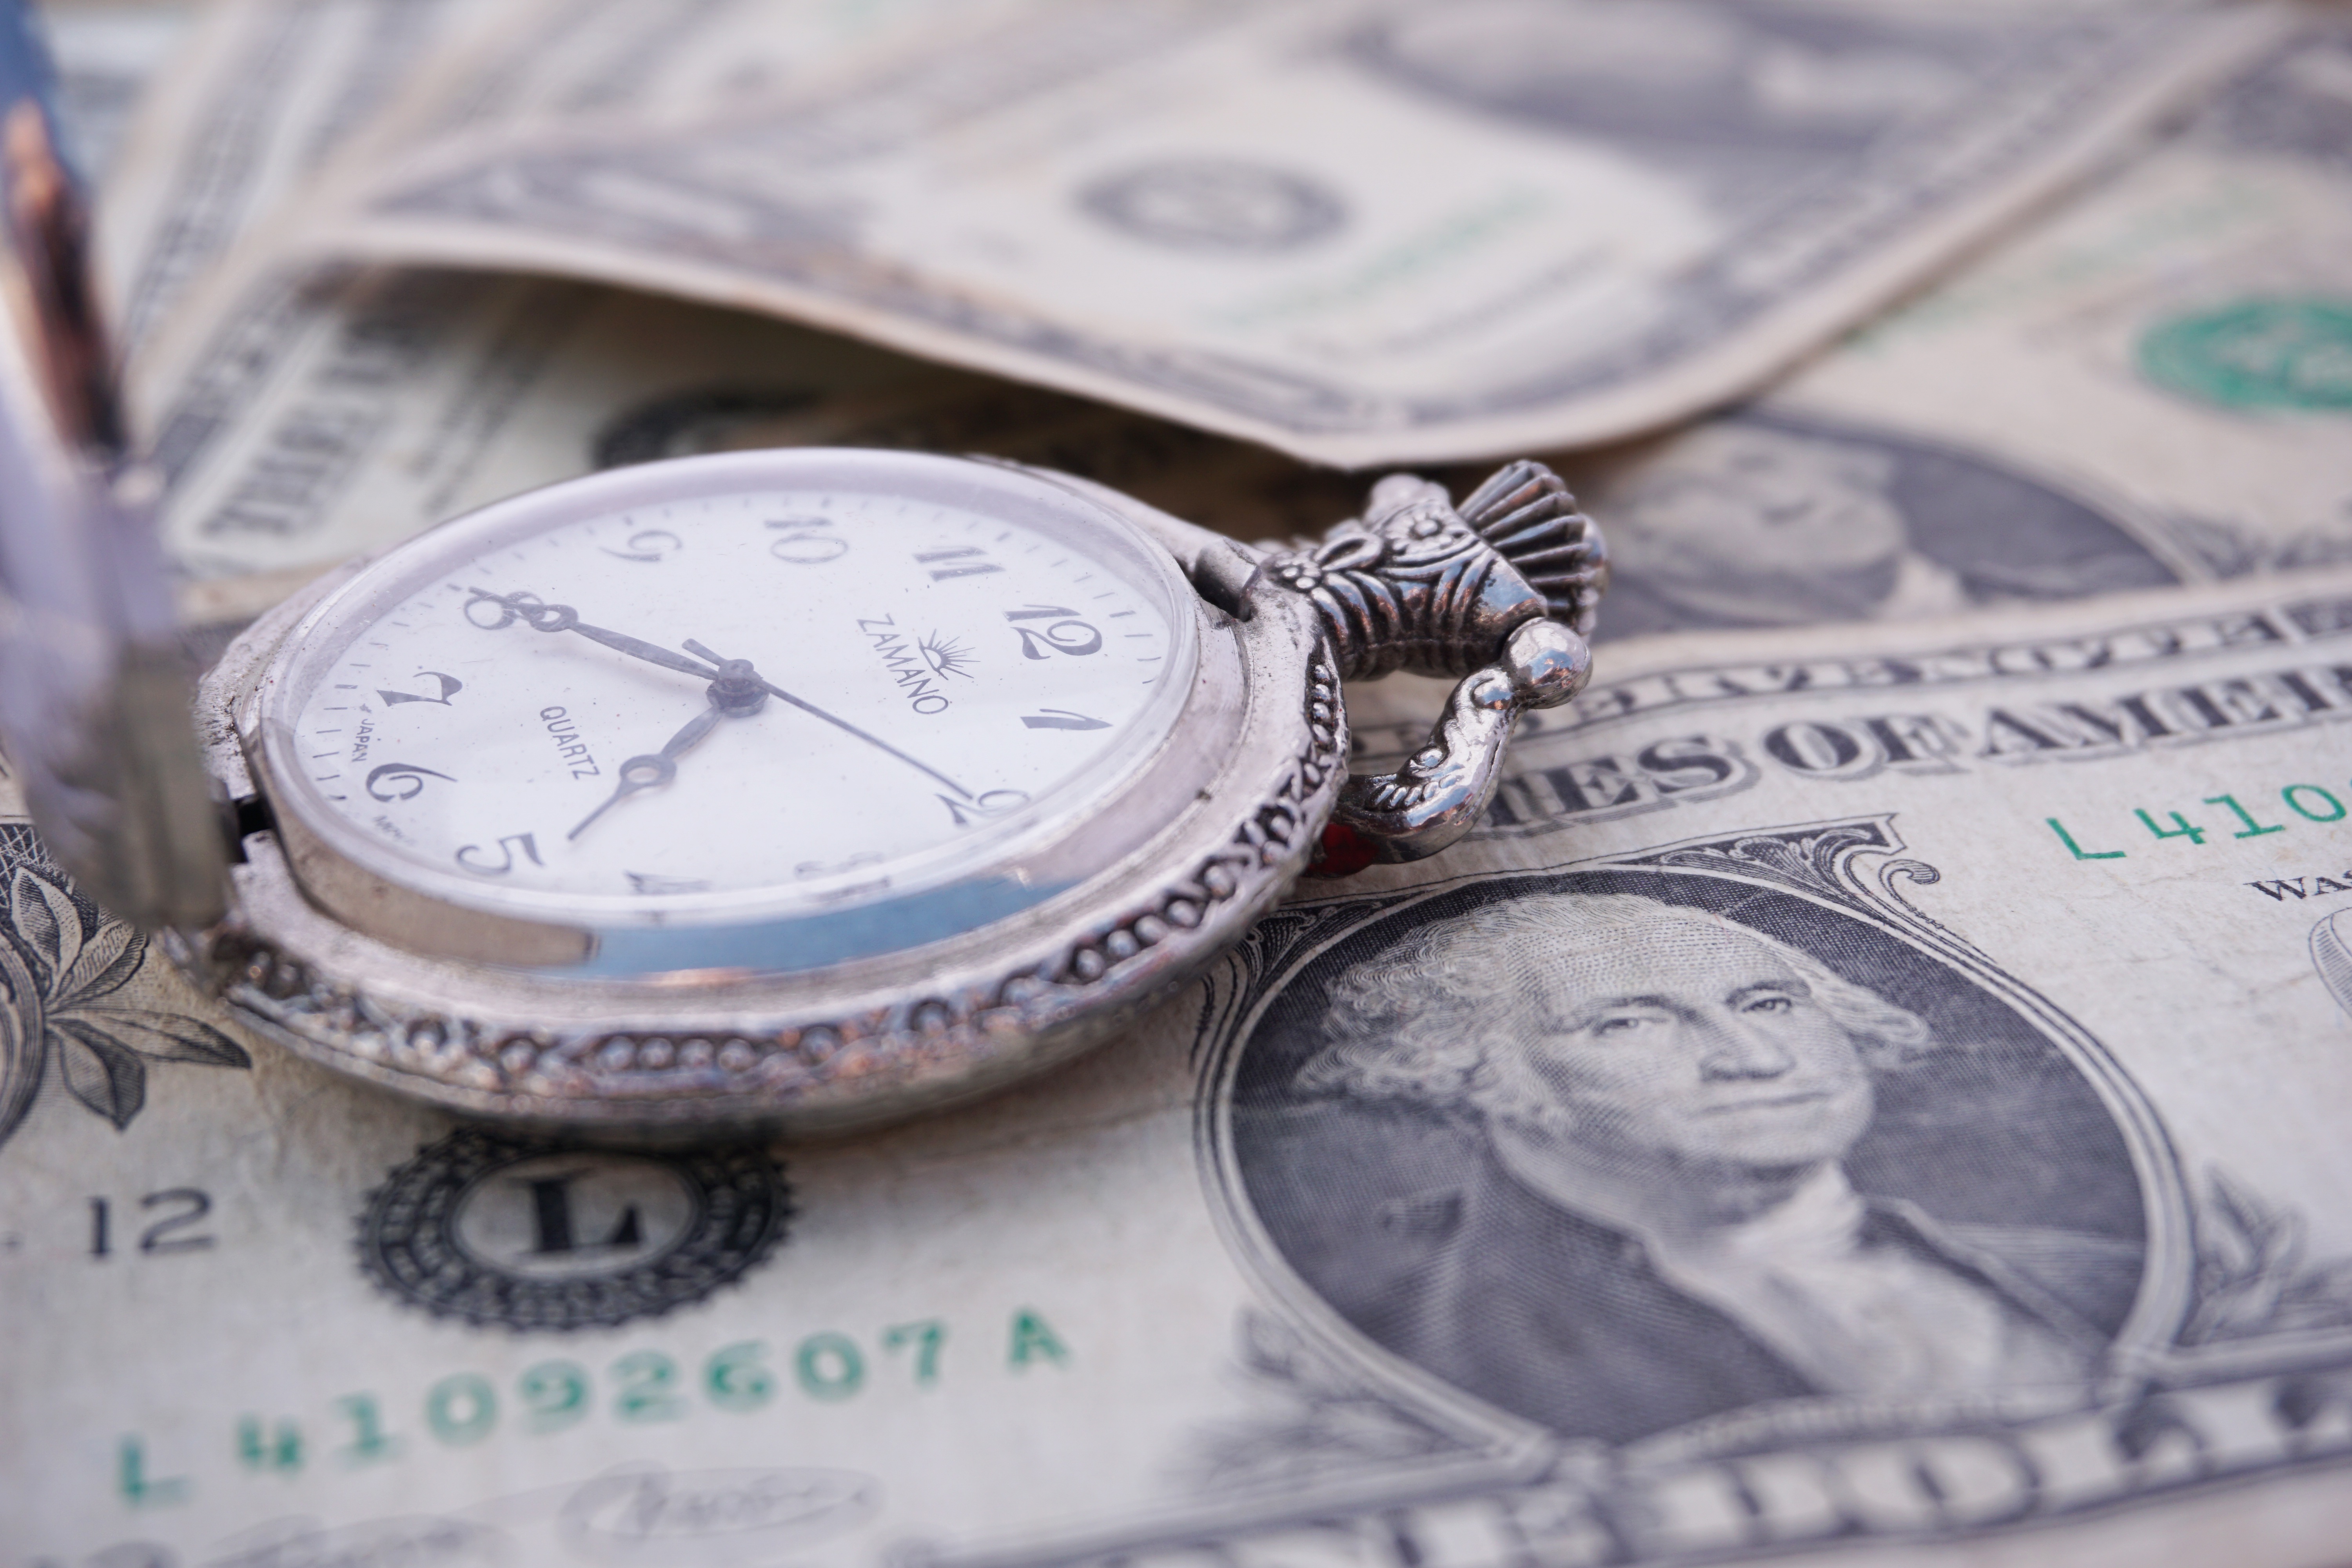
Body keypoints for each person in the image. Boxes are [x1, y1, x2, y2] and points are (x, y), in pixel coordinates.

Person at [1301, 892, 2142, 1444]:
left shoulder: (2096, 1278)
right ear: (1468, 1072)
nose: (1753, 1056)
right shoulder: (1405, 1352)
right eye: (1627, 1023)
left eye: (1769, 1003)